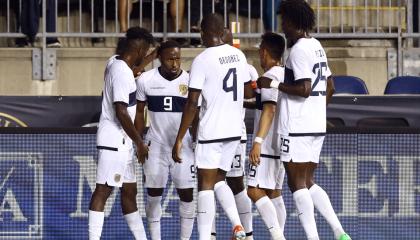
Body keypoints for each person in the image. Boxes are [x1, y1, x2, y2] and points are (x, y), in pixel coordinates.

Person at [258, 1, 351, 240]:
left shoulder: (298, 49)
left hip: (297, 126)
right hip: (315, 125)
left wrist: (275, 84)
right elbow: (330, 86)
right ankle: (339, 231)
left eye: (284, 21)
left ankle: (314, 238)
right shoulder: (316, 45)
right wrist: (317, 112)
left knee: (297, 184)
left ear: (293, 21)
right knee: (308, 181)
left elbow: (305, 88)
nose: (283, 27)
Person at [172, 13, 254, 240]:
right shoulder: (238, 55)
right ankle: (238, 226)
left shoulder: (202, 60)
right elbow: (248, 92)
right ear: (222, 32)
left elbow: (191, 103)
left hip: (212, 131)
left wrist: (179, 138)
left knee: (205, 186)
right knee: (219, 180)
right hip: (234, 132)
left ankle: (205, 237)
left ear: (205, 33)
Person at [88, 27, 154, 240]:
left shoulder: (114, 62)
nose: (145, 55)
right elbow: (121, 111)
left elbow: (133, 69)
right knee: (103, 191)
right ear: (139, 48)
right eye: (146, 51)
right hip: (114, 140)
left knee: (129, 193)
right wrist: (140, 143)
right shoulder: (121, 73)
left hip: (123, 143)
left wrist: (151, 58)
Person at [134, 40, 196, 240]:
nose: (175, 63)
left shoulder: (190, 80)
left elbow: (197, 115)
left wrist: (196, 142)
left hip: (184, 146)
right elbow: (139, 113)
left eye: (178, 58)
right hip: (156, 145)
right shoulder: (146, 80)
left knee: (187, 195)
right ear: (160, 58)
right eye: (170, 59)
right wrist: (139, 142)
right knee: (153, 196)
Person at [214, 27, 255, 240]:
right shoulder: (246, 67)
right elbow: (254, 95)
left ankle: (243, 232)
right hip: (234, 133)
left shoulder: (208, 62)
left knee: (212, 182)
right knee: (233, 183)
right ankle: (246, 234)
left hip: (216, 133)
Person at [247, 32, 286, 240]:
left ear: (264, 53)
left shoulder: (271, 76)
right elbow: (265, 105)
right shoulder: (285, 74)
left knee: (253, 190)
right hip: (281, 142)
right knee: (274, 193)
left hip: (268, 143)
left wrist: (257, 143)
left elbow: (269, 110)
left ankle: (278, 237)